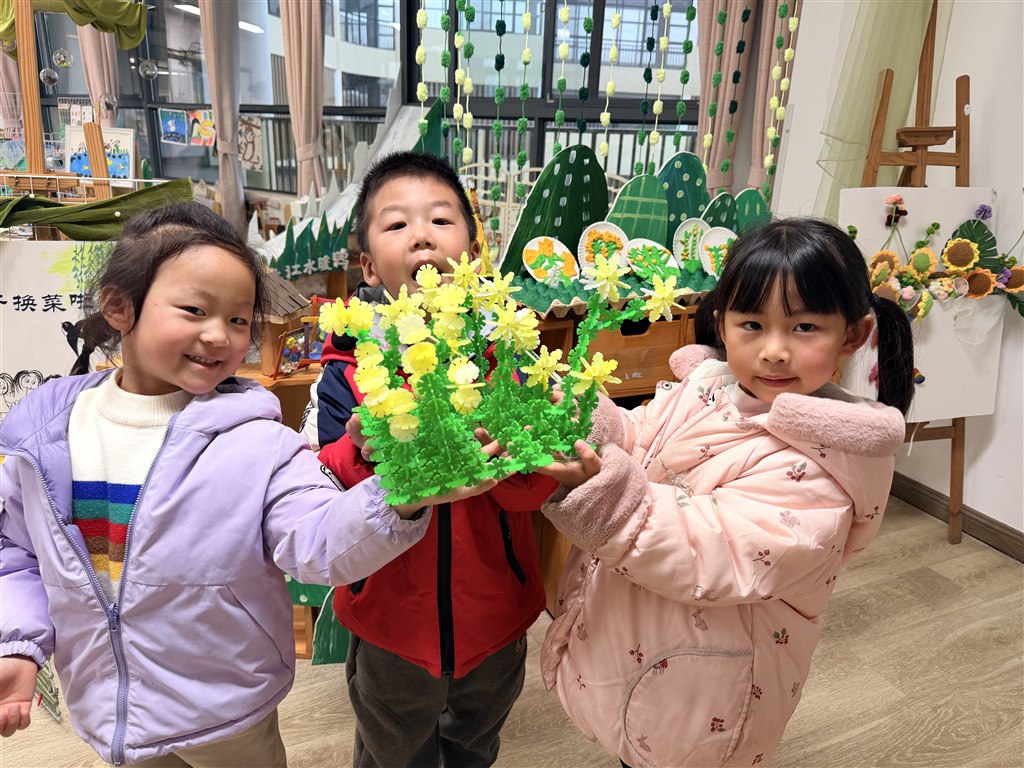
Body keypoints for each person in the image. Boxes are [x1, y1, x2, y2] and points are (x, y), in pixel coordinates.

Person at [0, 201, 497, 767]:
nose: (219, 335)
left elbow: (317, 539)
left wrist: (400, 495)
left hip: (230, 710)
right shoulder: (45, 434)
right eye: (194, 310)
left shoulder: (258, 441)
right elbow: (17, 550)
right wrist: (17, 642)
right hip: (111, 712)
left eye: (239, 320)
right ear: (119, 306)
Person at [536, 217, 914, 768]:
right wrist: (592, 422)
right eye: (752, 324)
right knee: (635, 737)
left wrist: (606, 497)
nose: (774, 351)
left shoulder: (825, 468)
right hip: (646, 641)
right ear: (722, 322)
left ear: (852, 335)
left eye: (805, 327)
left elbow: (712, 549)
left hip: (709, 681)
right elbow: (646, 434)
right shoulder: (708, 387)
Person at [300, 151, 558, 768]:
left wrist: (522, 455)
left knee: (475, 743)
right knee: (391, 750)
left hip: (496, 614)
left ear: (472, 249)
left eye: (441, 220)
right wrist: (365, 453)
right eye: (397, 224)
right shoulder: (347, 370)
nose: (422, 235)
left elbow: (535, 490)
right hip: (391, 622)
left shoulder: (507, 353)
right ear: (368, 265)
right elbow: (327, 486)